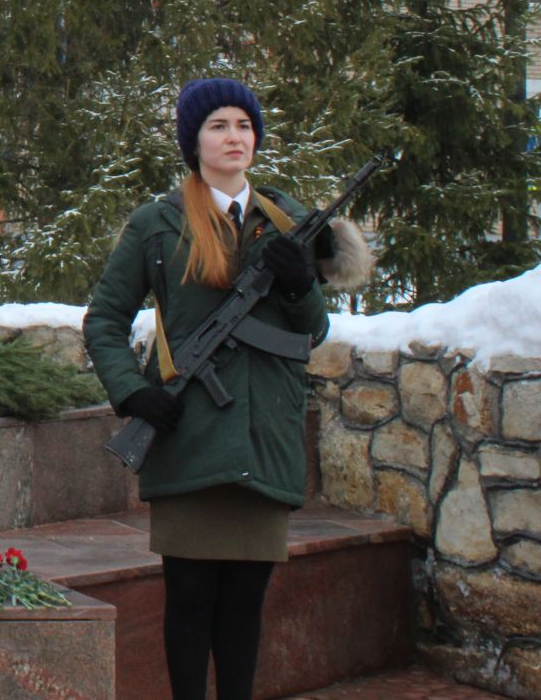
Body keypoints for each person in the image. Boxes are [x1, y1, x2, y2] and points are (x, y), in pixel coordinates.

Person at [84, 77, 369, 700]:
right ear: (194, 142)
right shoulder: (157, 224)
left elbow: (313, 330)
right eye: (218, 126)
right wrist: (133, 394)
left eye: (243, 125)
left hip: (264, 433)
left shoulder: (284, 220)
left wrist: (299, 285)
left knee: (245, 603)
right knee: (188, 598)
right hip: (189, 431)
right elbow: (103, 320)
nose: (233, 137)